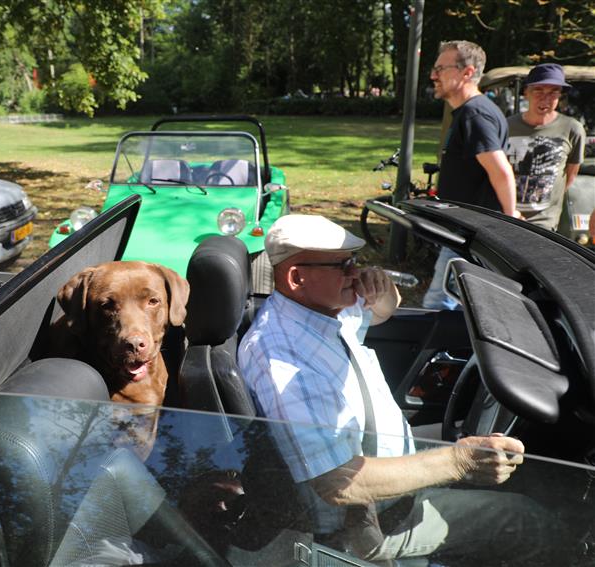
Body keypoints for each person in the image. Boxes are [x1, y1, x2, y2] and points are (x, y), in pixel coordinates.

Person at [238, 214, 566, 564]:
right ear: (296, 277)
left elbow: (384, 310)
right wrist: (459, 461)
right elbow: (339, 484)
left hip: (386, 472)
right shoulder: (282, 357)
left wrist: (380, 288)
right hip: (366, 522)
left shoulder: (320, 311)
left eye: (355, 261)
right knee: (526, 519)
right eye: (343, 265)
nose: (355, 273)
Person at [422, 40, 518, 310]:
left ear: (467, 72)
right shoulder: (470, 112)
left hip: (472, 235)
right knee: (466, 309)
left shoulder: (475, 114)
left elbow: (501, 171)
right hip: (466, 232)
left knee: (439, 305)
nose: (433, 76)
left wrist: (510, 219)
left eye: (441, 69)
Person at [506, 63, 585, 231]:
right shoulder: (506, 126)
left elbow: (570, 174)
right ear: (526, 92)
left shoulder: (573, 129)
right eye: (538, 90)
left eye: (553, 92)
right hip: (505, 216)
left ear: (560, 95)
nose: (545, 98)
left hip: (544, 224)